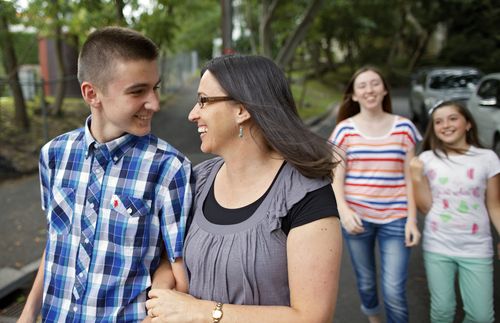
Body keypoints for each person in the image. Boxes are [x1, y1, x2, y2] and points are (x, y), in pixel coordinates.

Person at [144, 54, 342, 322]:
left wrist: (204, 312)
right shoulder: (195, 181)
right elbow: (172, 256)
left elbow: (312, 316)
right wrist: (161, 292)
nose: (193, 114)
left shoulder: (305, 195)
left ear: (242, 110)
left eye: (203, 100)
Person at [18, 27, 192, 322]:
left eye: (155, 88)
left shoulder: (169, 168)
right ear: (91, 93)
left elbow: (178, 269)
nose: (154, 103)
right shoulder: (54, 155)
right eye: (138, 91)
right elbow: (57, 243)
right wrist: (27, 314)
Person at [328, 66, 421, 323]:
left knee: (393, 290)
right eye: (362, 86)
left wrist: (412, 220)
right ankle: (374, 320)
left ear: (385, 89)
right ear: (354, 95)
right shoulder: (344, 131)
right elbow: (336, 178)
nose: (369, 90)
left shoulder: (404, 128)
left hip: (397, 218)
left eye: (375, 83)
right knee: (367, 282)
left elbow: (410, 179)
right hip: (358, 219)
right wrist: (344, 212)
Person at [409, 100, 500, 323]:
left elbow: (495, 204)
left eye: (453, 119)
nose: (445, 125)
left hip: (477, 247)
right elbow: (424, 207)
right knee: (442, 312)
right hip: (439, 246)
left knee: (481, 317)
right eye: (438, 121)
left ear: (468, 123)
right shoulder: (426, 160)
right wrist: (416, 177)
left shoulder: (487, 158)